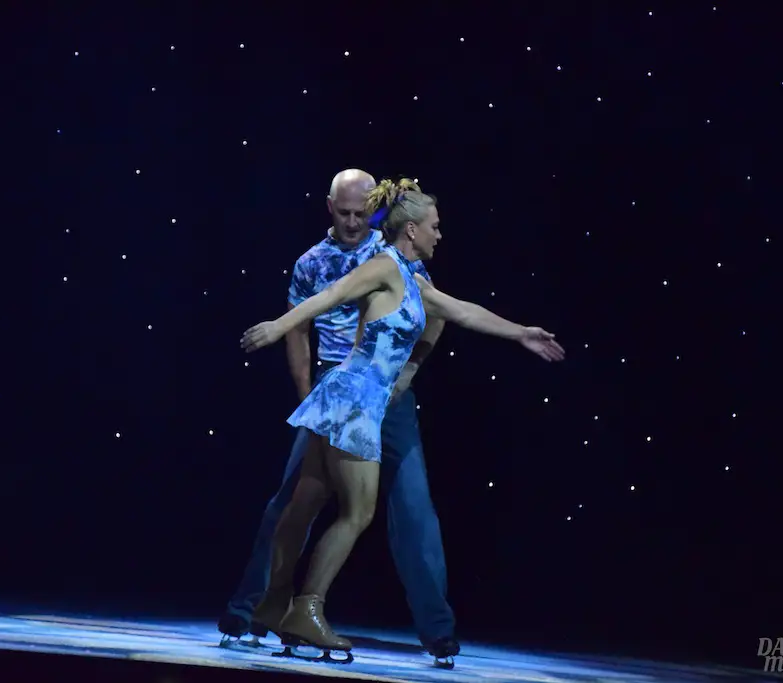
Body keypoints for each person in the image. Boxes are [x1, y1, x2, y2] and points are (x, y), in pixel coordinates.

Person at [240, 177, 566, 657]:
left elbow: (462, 311)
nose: (440, 234)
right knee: (356, 513)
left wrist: (521, 333)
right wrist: (278, 327)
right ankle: (306, 610)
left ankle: (274, 604)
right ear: (411, 229)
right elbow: (329, 296)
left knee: (307, 500)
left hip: (352, 399)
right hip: (355, 400)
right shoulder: (384, 267)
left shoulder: (411, 280)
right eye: (435, 226)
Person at [217, 169, 460, 661]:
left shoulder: (393, 252)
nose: (352, 222)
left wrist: (410, 371)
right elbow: (301, 328)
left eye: (360, 213)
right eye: (344, 213)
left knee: (413, 508)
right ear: (329, 207)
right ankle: (254, 610)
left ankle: (438, 631)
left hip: (388, 392)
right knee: (293, 501)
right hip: (339, 390)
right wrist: (307, 397)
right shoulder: (311, 262)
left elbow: (437, 311)